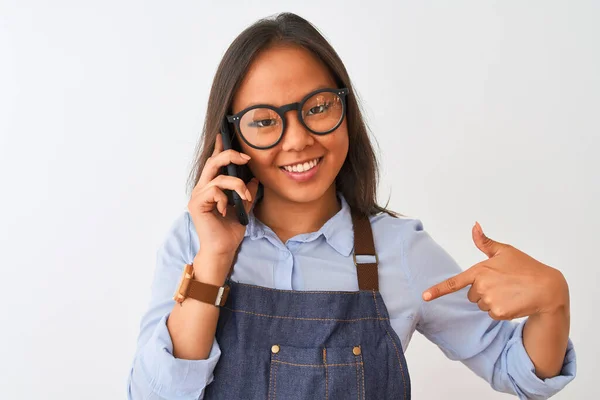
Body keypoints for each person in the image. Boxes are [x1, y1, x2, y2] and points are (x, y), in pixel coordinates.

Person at [127, 12, 576, 400]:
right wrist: (214, 259)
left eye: (318, 107)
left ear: (346, 108)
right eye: (265, 121)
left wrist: (553, 301)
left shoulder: (399, 250)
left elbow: (517, 370)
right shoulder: (193, 241)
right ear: (230, 139)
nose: (299, 138)